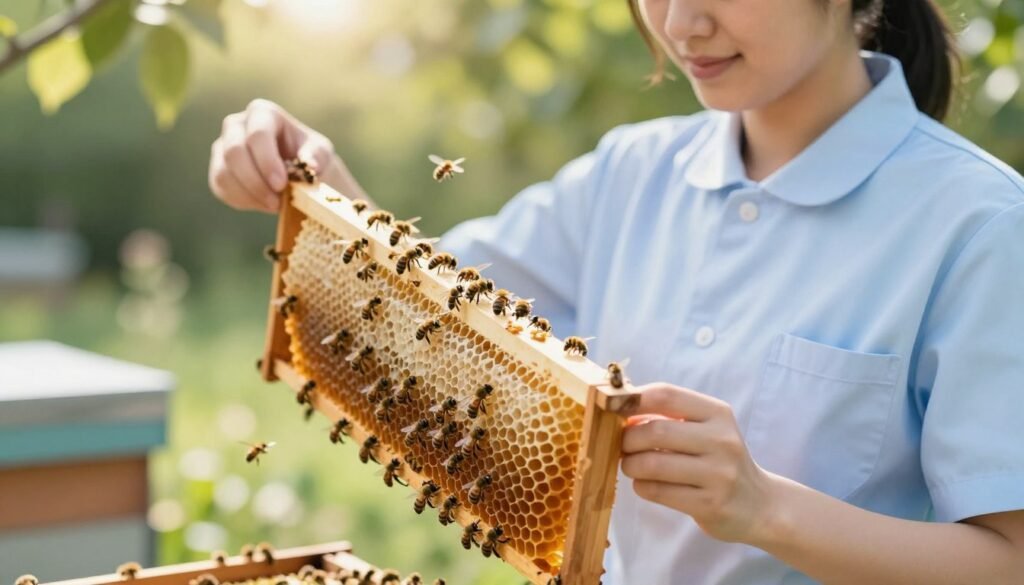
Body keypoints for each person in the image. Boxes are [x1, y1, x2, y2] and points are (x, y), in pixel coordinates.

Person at [209, 0, 1024, 582]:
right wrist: (310, 179)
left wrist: (765, 507)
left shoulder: (980, 225)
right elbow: (420, 322)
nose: (679, 24)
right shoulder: (629, 174)